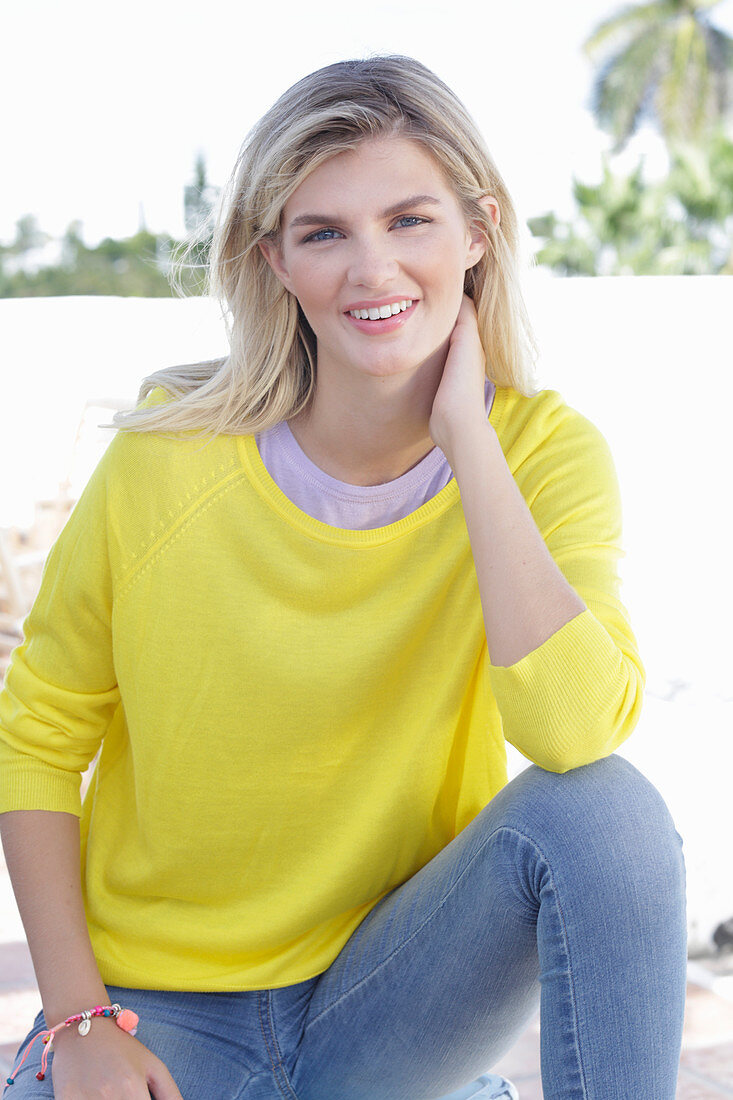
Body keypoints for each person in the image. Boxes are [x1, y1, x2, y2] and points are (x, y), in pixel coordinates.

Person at [0, 55, 687, 1100]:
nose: (372, 271)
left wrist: (468, 439)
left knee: (610, 813)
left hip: (396, 999)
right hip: (160, 1004)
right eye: (324, 233)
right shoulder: (164, 461)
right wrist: (80, 1018)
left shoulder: (542, 455)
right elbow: (35, 740)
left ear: (477, 231)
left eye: (410, 220)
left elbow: (573, 733)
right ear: (275, 259)